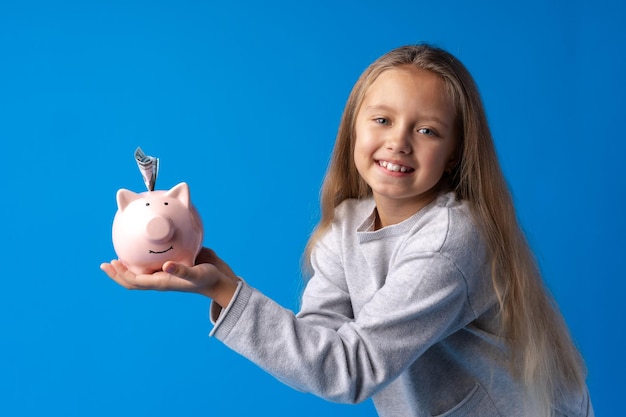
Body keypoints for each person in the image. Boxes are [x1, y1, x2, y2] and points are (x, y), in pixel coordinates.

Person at [101, 44, 593, 417]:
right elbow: (321, 344)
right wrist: (221, 285)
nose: (398, 142)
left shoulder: (449, 243)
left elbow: (349, 371)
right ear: (354, 131)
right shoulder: (346, 226)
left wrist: (229, 292)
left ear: (455, 154)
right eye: (382, 119)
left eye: (427, 130)